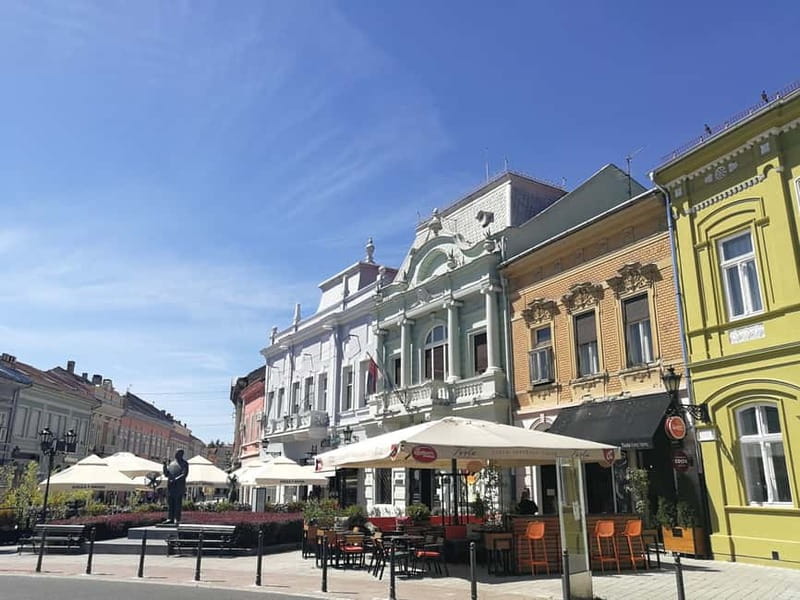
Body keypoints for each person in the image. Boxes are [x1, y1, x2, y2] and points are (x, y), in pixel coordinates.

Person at [163, 449, 190, 524]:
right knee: (170, 502)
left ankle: (176, 518)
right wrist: (164, 465)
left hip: (179, 486)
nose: (176, 454)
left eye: (178, 453)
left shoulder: (184, 463)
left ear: (181, 454)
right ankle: (169, 518)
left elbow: (184, 474)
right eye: (176, 452)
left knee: (178, 503)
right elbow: (166, 474)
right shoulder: (171, 463)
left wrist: (175, 479)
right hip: (170, 486)